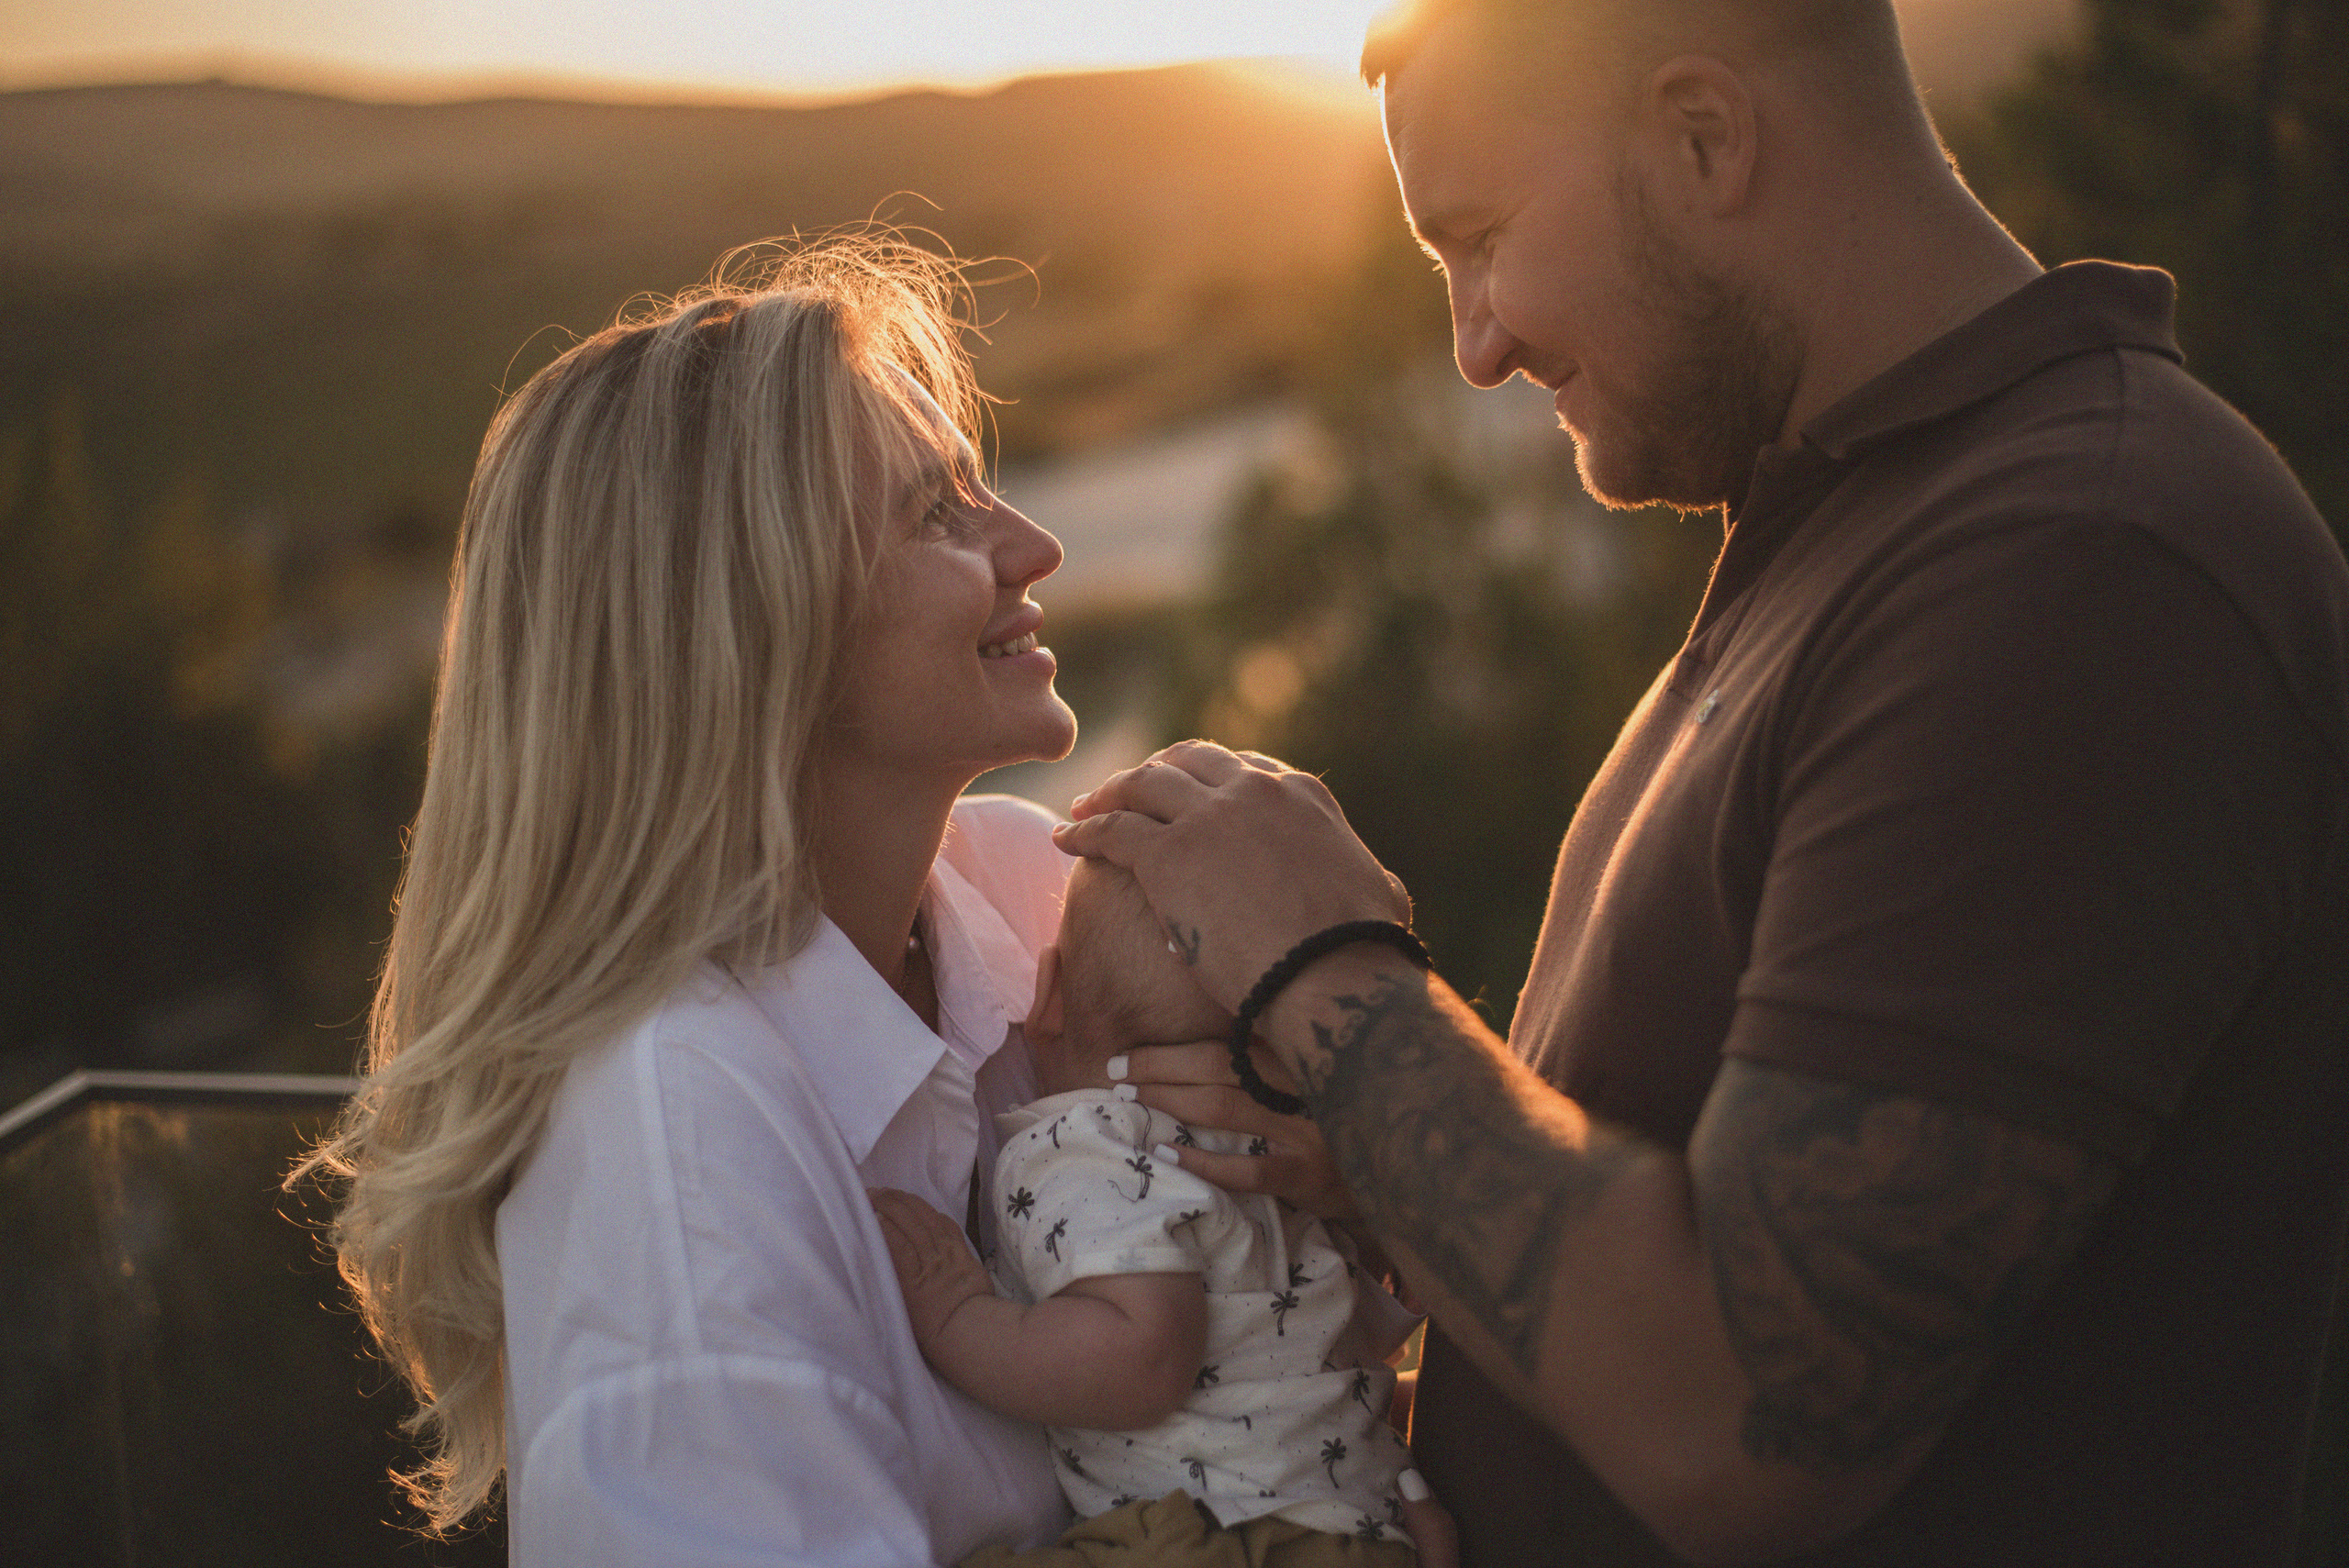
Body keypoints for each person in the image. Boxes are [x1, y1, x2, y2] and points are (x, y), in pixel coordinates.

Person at [1054, 2, 2349, 1564]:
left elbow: (1756, 1415)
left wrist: (1334, 982)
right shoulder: (1852, 525)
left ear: (1704, 137)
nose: (1477, 345)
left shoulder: (2080, 562)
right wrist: (1375, 1167)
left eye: (1475, 238)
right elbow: (1689, 1193)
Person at [294, 239, 1092, 1563]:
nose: (1033, 542)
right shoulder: (679, 1168)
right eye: (935, 512)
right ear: (754, 630)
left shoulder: (1018, 890)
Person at [871, 857, 1458, 1567]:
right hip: (1358, 1525)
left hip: (1212, 1536)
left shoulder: (1080, 1142)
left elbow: (1144, 1357)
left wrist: (959, 1316)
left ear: (1047, 996)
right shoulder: (1289, 1163)